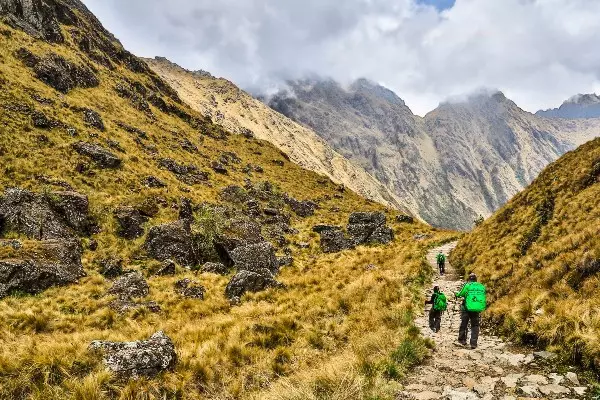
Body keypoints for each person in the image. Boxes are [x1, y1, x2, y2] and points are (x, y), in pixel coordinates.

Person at [455, 273, 487, 349]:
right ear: (476, 279)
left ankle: (462, 340)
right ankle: (473, 343)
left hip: (466, 308)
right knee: (475, 325)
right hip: (476, 309)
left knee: (464, 323)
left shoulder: (467, 285)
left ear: (469, 279)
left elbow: (460, 294)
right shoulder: (481, 286)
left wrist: (456, 294)